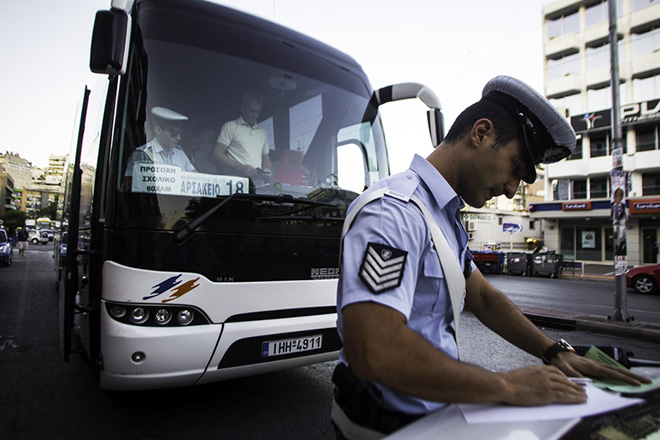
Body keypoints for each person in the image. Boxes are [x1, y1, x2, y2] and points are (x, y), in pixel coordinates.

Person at [331, 75, 650, 439]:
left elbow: (483, 296)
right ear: (481, 133)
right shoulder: (395, 212)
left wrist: (554, 351)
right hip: (383, 427)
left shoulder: (442, 215)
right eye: (515, 167)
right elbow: (374, 348)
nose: (513, 189)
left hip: (433, 418)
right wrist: (509, 387)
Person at [123, 107, 196, 189]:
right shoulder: (142, 155)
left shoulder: (179, 153)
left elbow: (196, 179)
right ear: (158, 130)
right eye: (174, 133)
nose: (178, 138)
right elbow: (127, 188)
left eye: (179, 133)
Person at [213, 92, 272, 183]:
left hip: (257, 181)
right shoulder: (230, 126)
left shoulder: (262, 132)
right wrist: (240, 167)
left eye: (257, 112)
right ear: (243, 108)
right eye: (251, 111)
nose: (255, 115)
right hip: (235, 179)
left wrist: (267, 170)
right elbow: (217, 154)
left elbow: (266, 157)